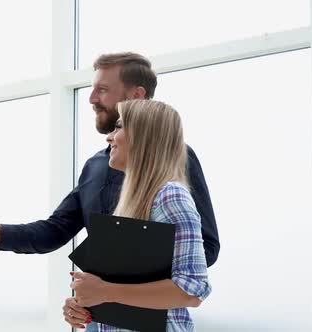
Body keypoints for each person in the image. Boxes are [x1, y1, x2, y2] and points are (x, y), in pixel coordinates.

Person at [0, 53, 219, 264]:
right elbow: (55, 230)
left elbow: (205, 247)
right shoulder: (95, 166)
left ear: (137, 95)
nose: (91, 99)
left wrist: (128, 278)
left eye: (102, 89)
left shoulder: (176, 157)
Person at [65, 99, 211, 331]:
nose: (109, 137)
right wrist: (82, 305)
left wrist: (105, 291)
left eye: (119, 127)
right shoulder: (129, 203)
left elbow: (192, 290)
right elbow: (116, 289)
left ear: (145, 136)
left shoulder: (170, 196)